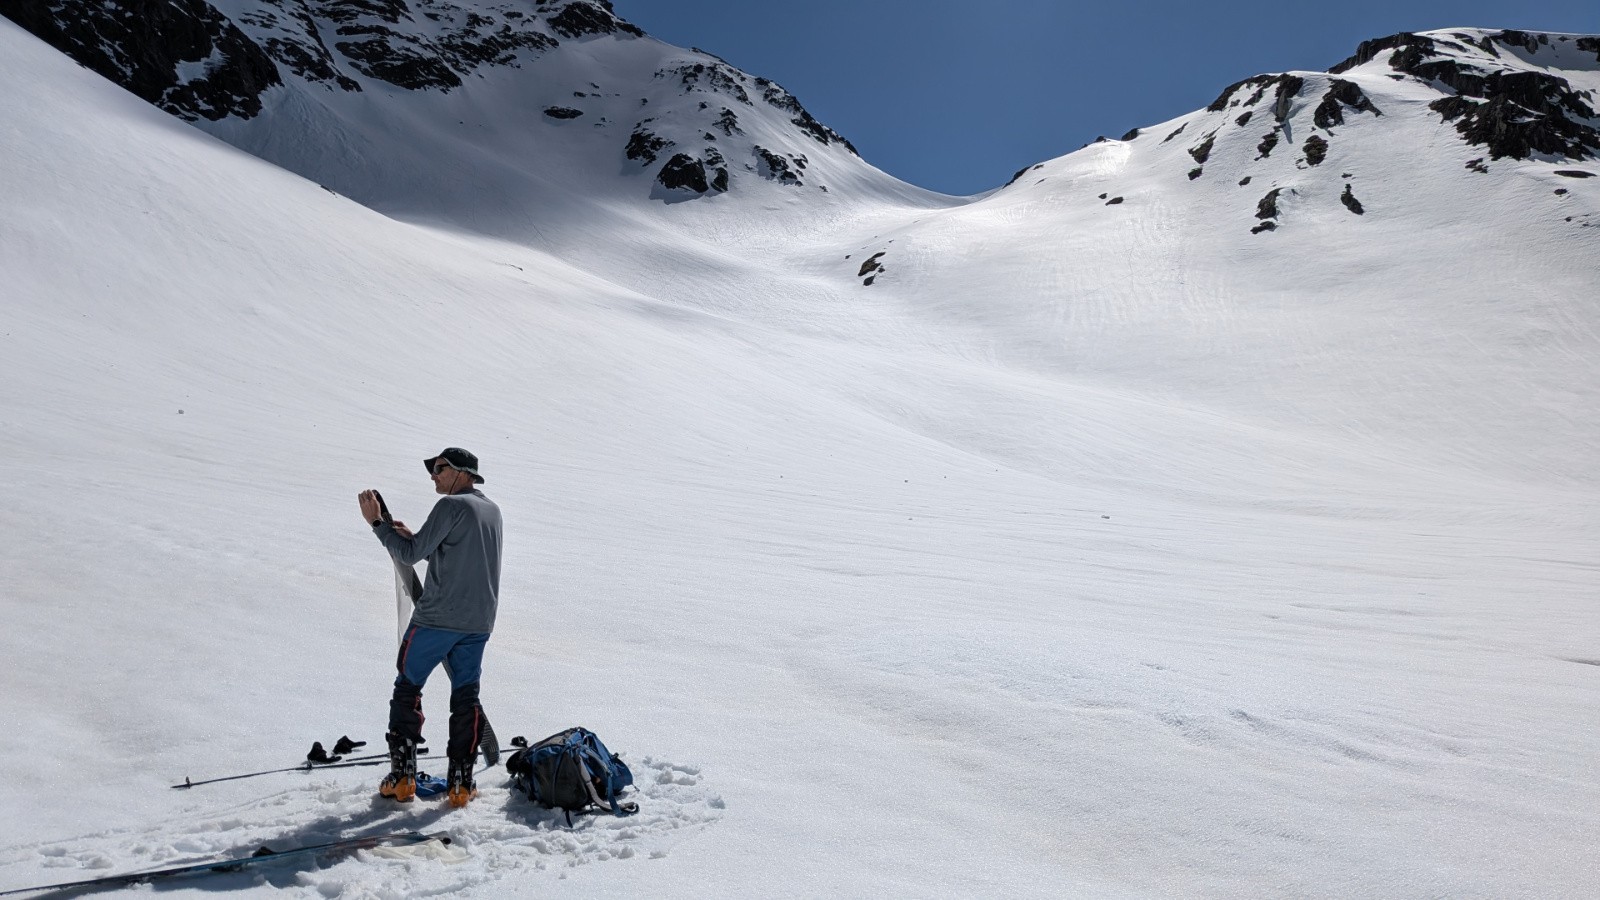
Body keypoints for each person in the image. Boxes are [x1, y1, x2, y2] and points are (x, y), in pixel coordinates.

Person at [357, 447, 503, 807]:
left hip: (437, 619)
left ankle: (403, 777)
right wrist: (413, 536)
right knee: (465, 695)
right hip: (479, 622)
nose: (433, 476)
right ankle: (461, 785)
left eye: (438, 469)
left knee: (407, 686)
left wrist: (377, 524)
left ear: (460, 472)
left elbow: (409, 556)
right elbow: (442, 549)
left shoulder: (450, 506)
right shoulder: (492, 511)